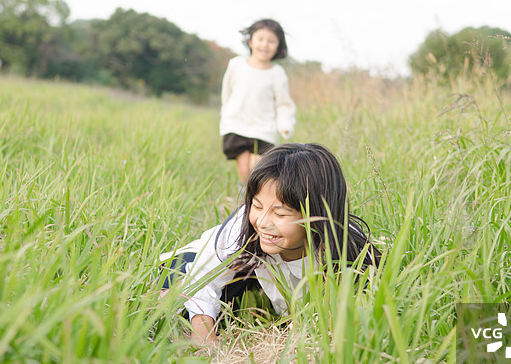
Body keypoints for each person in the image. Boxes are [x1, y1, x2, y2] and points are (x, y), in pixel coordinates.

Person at [160, 143, 380, 345]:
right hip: (211, 268)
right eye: (256, 206)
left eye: (280, 213)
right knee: (173, 304)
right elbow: (202, 278)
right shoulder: (241, 232)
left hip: (274, 290)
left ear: (319, 216)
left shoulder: (350, 254)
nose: (263, 222)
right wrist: (205, 342)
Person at [220, 19, 297, 187]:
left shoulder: (277, 73)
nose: (265, 45)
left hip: (263, 129)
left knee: (257, 171)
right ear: (250, 41)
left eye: (271, 41)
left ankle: (254, 202)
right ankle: (244, 204)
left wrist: (285, 124)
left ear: (278, 46)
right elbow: (227, 92)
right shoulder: (236, 65)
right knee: (244, 172)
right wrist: (226, 115)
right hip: (237, 125)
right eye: (260, 39)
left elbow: (283, 103)